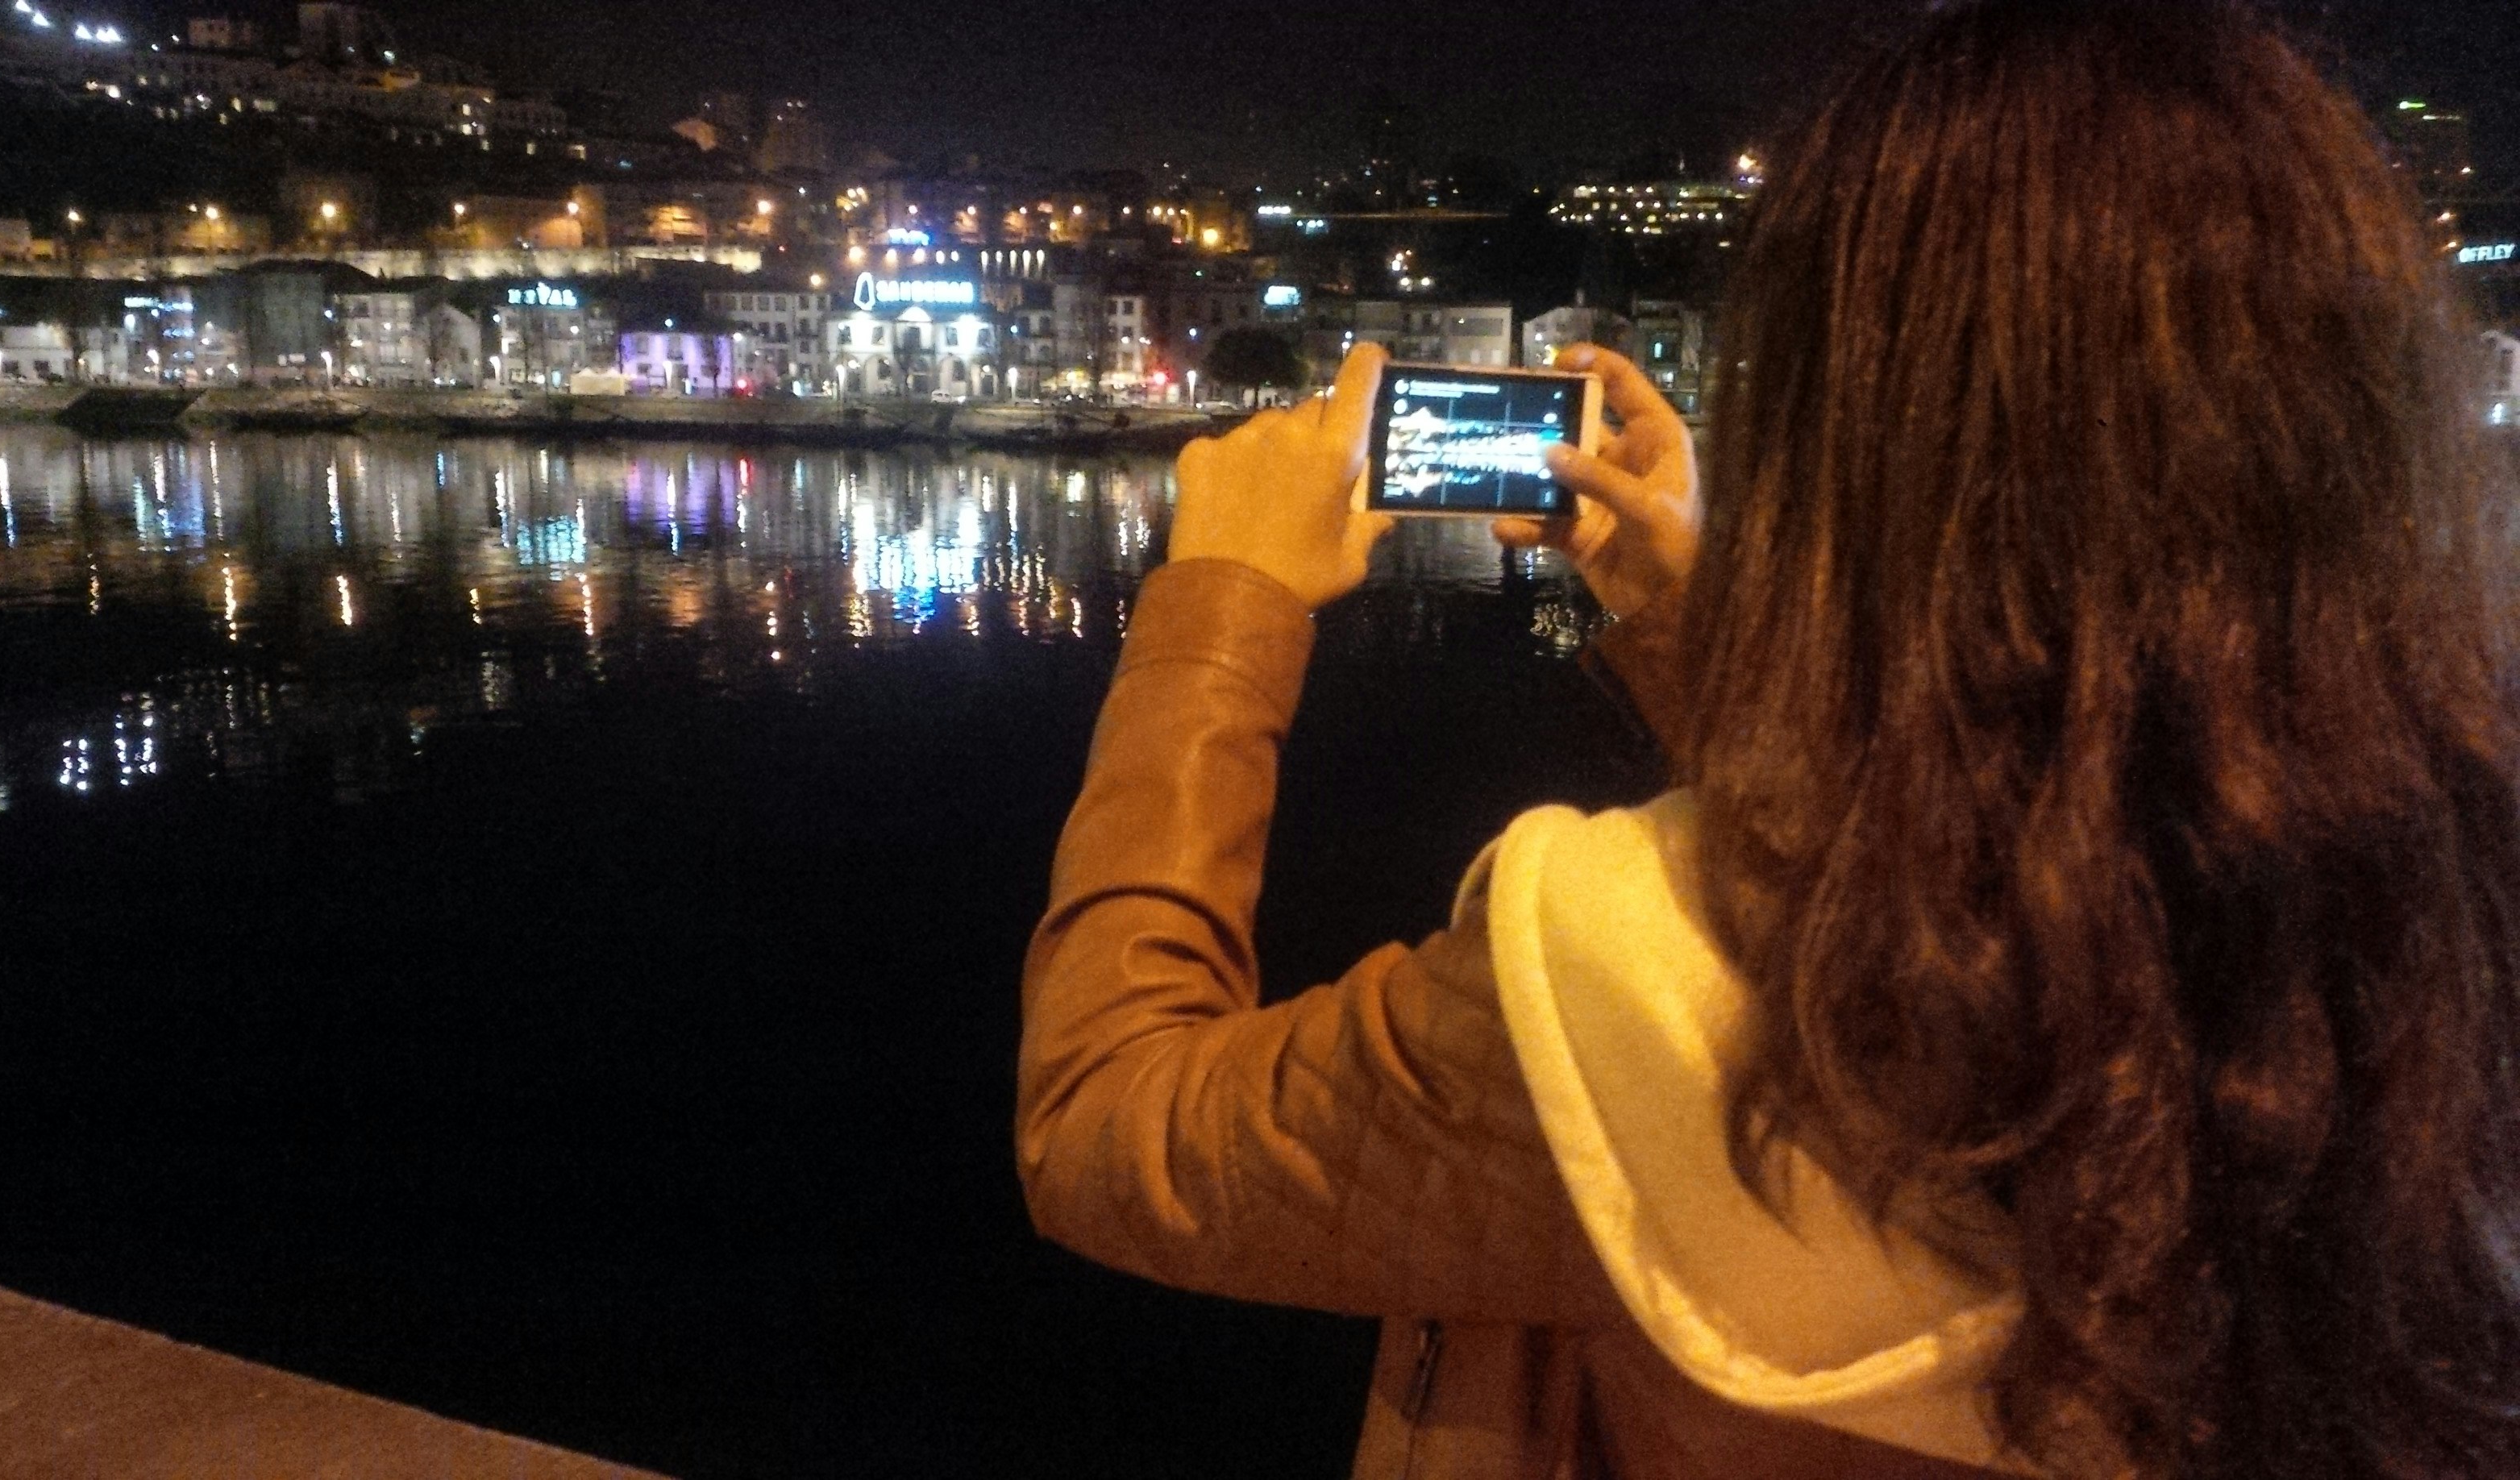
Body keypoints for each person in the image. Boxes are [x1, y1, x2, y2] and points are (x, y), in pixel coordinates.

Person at [1016, 2, 2520, 1475]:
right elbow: (1957, 840)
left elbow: (1107, 1130)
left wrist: (1223, 603)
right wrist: (1693, 629)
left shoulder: (1632, 990)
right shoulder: (2418, 940)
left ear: (1842, 433)